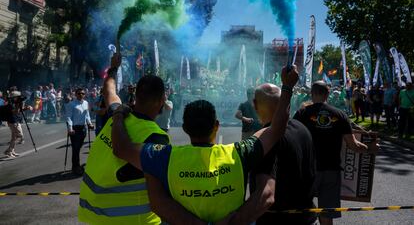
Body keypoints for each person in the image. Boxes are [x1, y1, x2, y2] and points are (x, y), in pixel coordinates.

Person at [109, 60, 298, 223]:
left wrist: (118, 115)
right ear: (216, 126)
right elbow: (276, 129)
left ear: (184, 128)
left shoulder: (164, 156)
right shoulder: (238, 153)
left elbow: (121, 148)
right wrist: (287, 87)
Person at [78, 60, 171, 224]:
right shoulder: (156, 137)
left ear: (136, 95)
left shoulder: (117, 113)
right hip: (130, 220)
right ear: (162, 99)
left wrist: (114, 67)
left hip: (90, 215)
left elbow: (109, 91)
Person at [228, 83, 317, 225]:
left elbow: (266, 196)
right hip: (307, 218)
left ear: (255, 105)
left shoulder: (268, 141)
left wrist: (235, 221)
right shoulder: (302, 128)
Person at [294, 81, 379, 225]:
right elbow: (353, 145)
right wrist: (370, 148)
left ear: (312, 93)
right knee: (327, 212)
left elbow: (292, 138)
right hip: (331, 171)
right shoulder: (339, 115)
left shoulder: (302, 113)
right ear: (328, 94)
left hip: (307, 170)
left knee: (300, 210)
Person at [66, 88, 94, 175]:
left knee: (78, 148)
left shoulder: (86, 103)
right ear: (75, 94)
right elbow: (68, 117)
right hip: (75, 129)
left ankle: (76, 165)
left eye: (82, 93)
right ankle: (75, 167)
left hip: (83, 128)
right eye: (79, 93)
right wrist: (70, 128)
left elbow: (87, 115)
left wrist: (89, 123)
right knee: (76, 148)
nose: (81, 95)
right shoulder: (71, 104)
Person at [2, 91, 30, 158]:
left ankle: (11, 151)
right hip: (13, 121)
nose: (19, 98)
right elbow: (15, 112)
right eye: (18, 97)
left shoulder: (15, 102)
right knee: (19, 135)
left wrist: (25, 107)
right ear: (14, 97)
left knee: (14, 137)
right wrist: (21, 105)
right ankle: (9, 151)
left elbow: (19, 110)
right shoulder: (10, 104)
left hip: (16, 121)